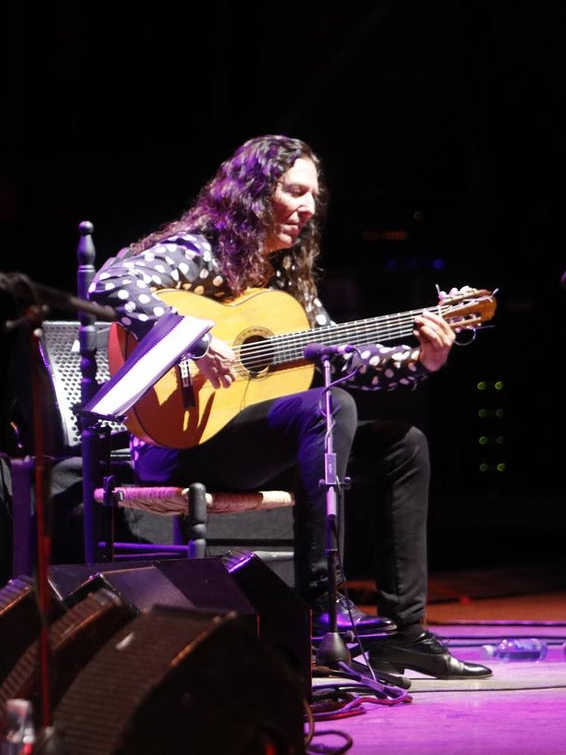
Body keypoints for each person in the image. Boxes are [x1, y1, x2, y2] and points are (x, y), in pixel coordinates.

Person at [87, 134, 491, 680]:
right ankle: (323, 607)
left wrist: (421, 358)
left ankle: (404, 632)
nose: (306, 208)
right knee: (329, 408)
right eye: (294, 191)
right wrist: (199, 342)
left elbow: (342, 358)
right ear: (254, 193)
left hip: (248, 441)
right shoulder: (201, 251)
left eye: (312, 197)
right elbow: (113, 280)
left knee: (402, 444)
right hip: (175, 443)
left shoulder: (288, 283)